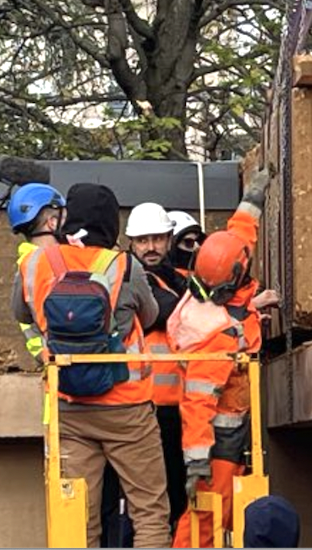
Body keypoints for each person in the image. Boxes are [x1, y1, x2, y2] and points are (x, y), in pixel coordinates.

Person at [17, 183, 168, 548]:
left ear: (66, 220)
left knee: (77, 515)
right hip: (127, 407)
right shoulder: (125, 265)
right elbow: (150, 316)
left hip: (69, 404)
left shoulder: (35, 262)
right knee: (148, 509)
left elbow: (22, 313)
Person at [168, 166, 271, 548]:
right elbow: (198, 400)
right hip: (219, 438)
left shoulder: (217, 266)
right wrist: (197, 460)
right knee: (211, 516)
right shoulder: (214, 334)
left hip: (231, 423)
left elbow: (239, 233)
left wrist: (254, 198)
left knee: (221, 513)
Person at [125, 202, 189, 531]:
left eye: (157, 239)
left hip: (183, 405)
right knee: (149, 500)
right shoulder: (132, 279)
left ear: (168, 239)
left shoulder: (179, 280)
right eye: (142, 240)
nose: (150, 247)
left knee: (180, 494)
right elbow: (167, 313)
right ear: (131, 244)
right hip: (145, 405)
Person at [8, 183, 67, 367]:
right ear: (53, 222)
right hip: (77, 366)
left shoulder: (25, 265)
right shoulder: (59, 261)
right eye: (64, 217)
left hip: (53, 367)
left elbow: (24, 321)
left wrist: (43, 353)